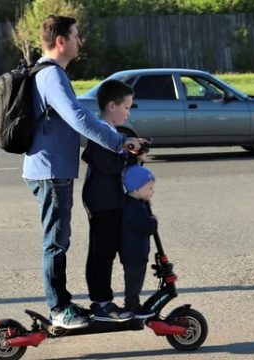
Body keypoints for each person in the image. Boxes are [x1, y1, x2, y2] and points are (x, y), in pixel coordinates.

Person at [22, 15, 142, 329]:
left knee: (59, 239)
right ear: (60, 41)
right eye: (75, 36)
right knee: (56, 242)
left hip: (51, 169)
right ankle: (58, 309)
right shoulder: (51, 76)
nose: (80, 41)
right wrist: (119, 142)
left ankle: (61, 303)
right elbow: (77, 117)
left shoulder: (49, 74)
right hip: (49, 171)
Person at [81, 79, 136, 322]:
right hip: (103, 202)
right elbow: (105, 163)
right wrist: (127, 155)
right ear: (112, 106)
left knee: (105, 251)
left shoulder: (112, 132)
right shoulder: (101, 132)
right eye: (127, 107)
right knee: (102, 252)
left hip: (108, 200)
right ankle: (102, 301)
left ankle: (101, 299)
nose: (129, 112)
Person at [121, 164, 158, 319]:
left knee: (134, 280)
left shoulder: (134, 203)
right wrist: (154, 221)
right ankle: (132, 305)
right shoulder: (134, 208)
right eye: (149, 189)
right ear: (136, 190)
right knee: (134, 282)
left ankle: (132, 302)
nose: (152, 191)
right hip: (134, 254)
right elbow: (146, 227)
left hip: (133, 251)